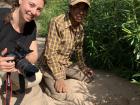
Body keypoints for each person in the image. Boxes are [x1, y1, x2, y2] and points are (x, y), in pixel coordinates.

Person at [38, 0, 95, 104]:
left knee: (89, 77)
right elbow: (50, 54)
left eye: (84, 9)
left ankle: (61, 77)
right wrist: (59, 78)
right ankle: (44, 81)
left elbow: (79, 50)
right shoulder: (57, 22)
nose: (81, 12)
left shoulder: (80, 27)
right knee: (60, 95)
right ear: (70, 8)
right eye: (78, 7)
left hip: (65, 64)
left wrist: (83, 67)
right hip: (49, 65)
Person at [0, 0, 47, 105]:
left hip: (10, 69)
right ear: (20, 1)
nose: (34, 12)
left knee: (37, 76)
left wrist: (23, 62)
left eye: (39, 9)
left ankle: (5, 85)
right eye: (31, 5)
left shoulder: (31, 26)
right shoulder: (1, 15)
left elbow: (34, 53)